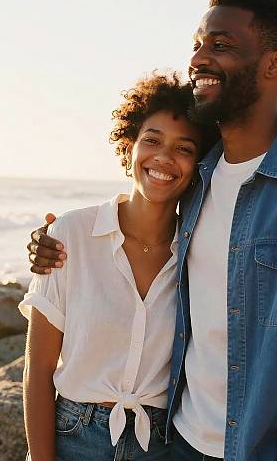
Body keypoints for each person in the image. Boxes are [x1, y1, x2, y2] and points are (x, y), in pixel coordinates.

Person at [28, 0, 277, 461]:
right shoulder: (199, 177)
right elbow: (136, 224)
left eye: (220, 46)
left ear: (275, 64)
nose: (198, 58)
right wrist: (51, 241)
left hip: (263, 449)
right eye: (197, 44)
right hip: (177, 443)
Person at [20, 73, 218, 461]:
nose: (163, 157)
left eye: (184, 148)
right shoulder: (70, 235)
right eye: (153, 140)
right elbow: (38, 370)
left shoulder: (200, 252)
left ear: (197, 166)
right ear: (129, 146)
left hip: (162, 444)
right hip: (74, 435)